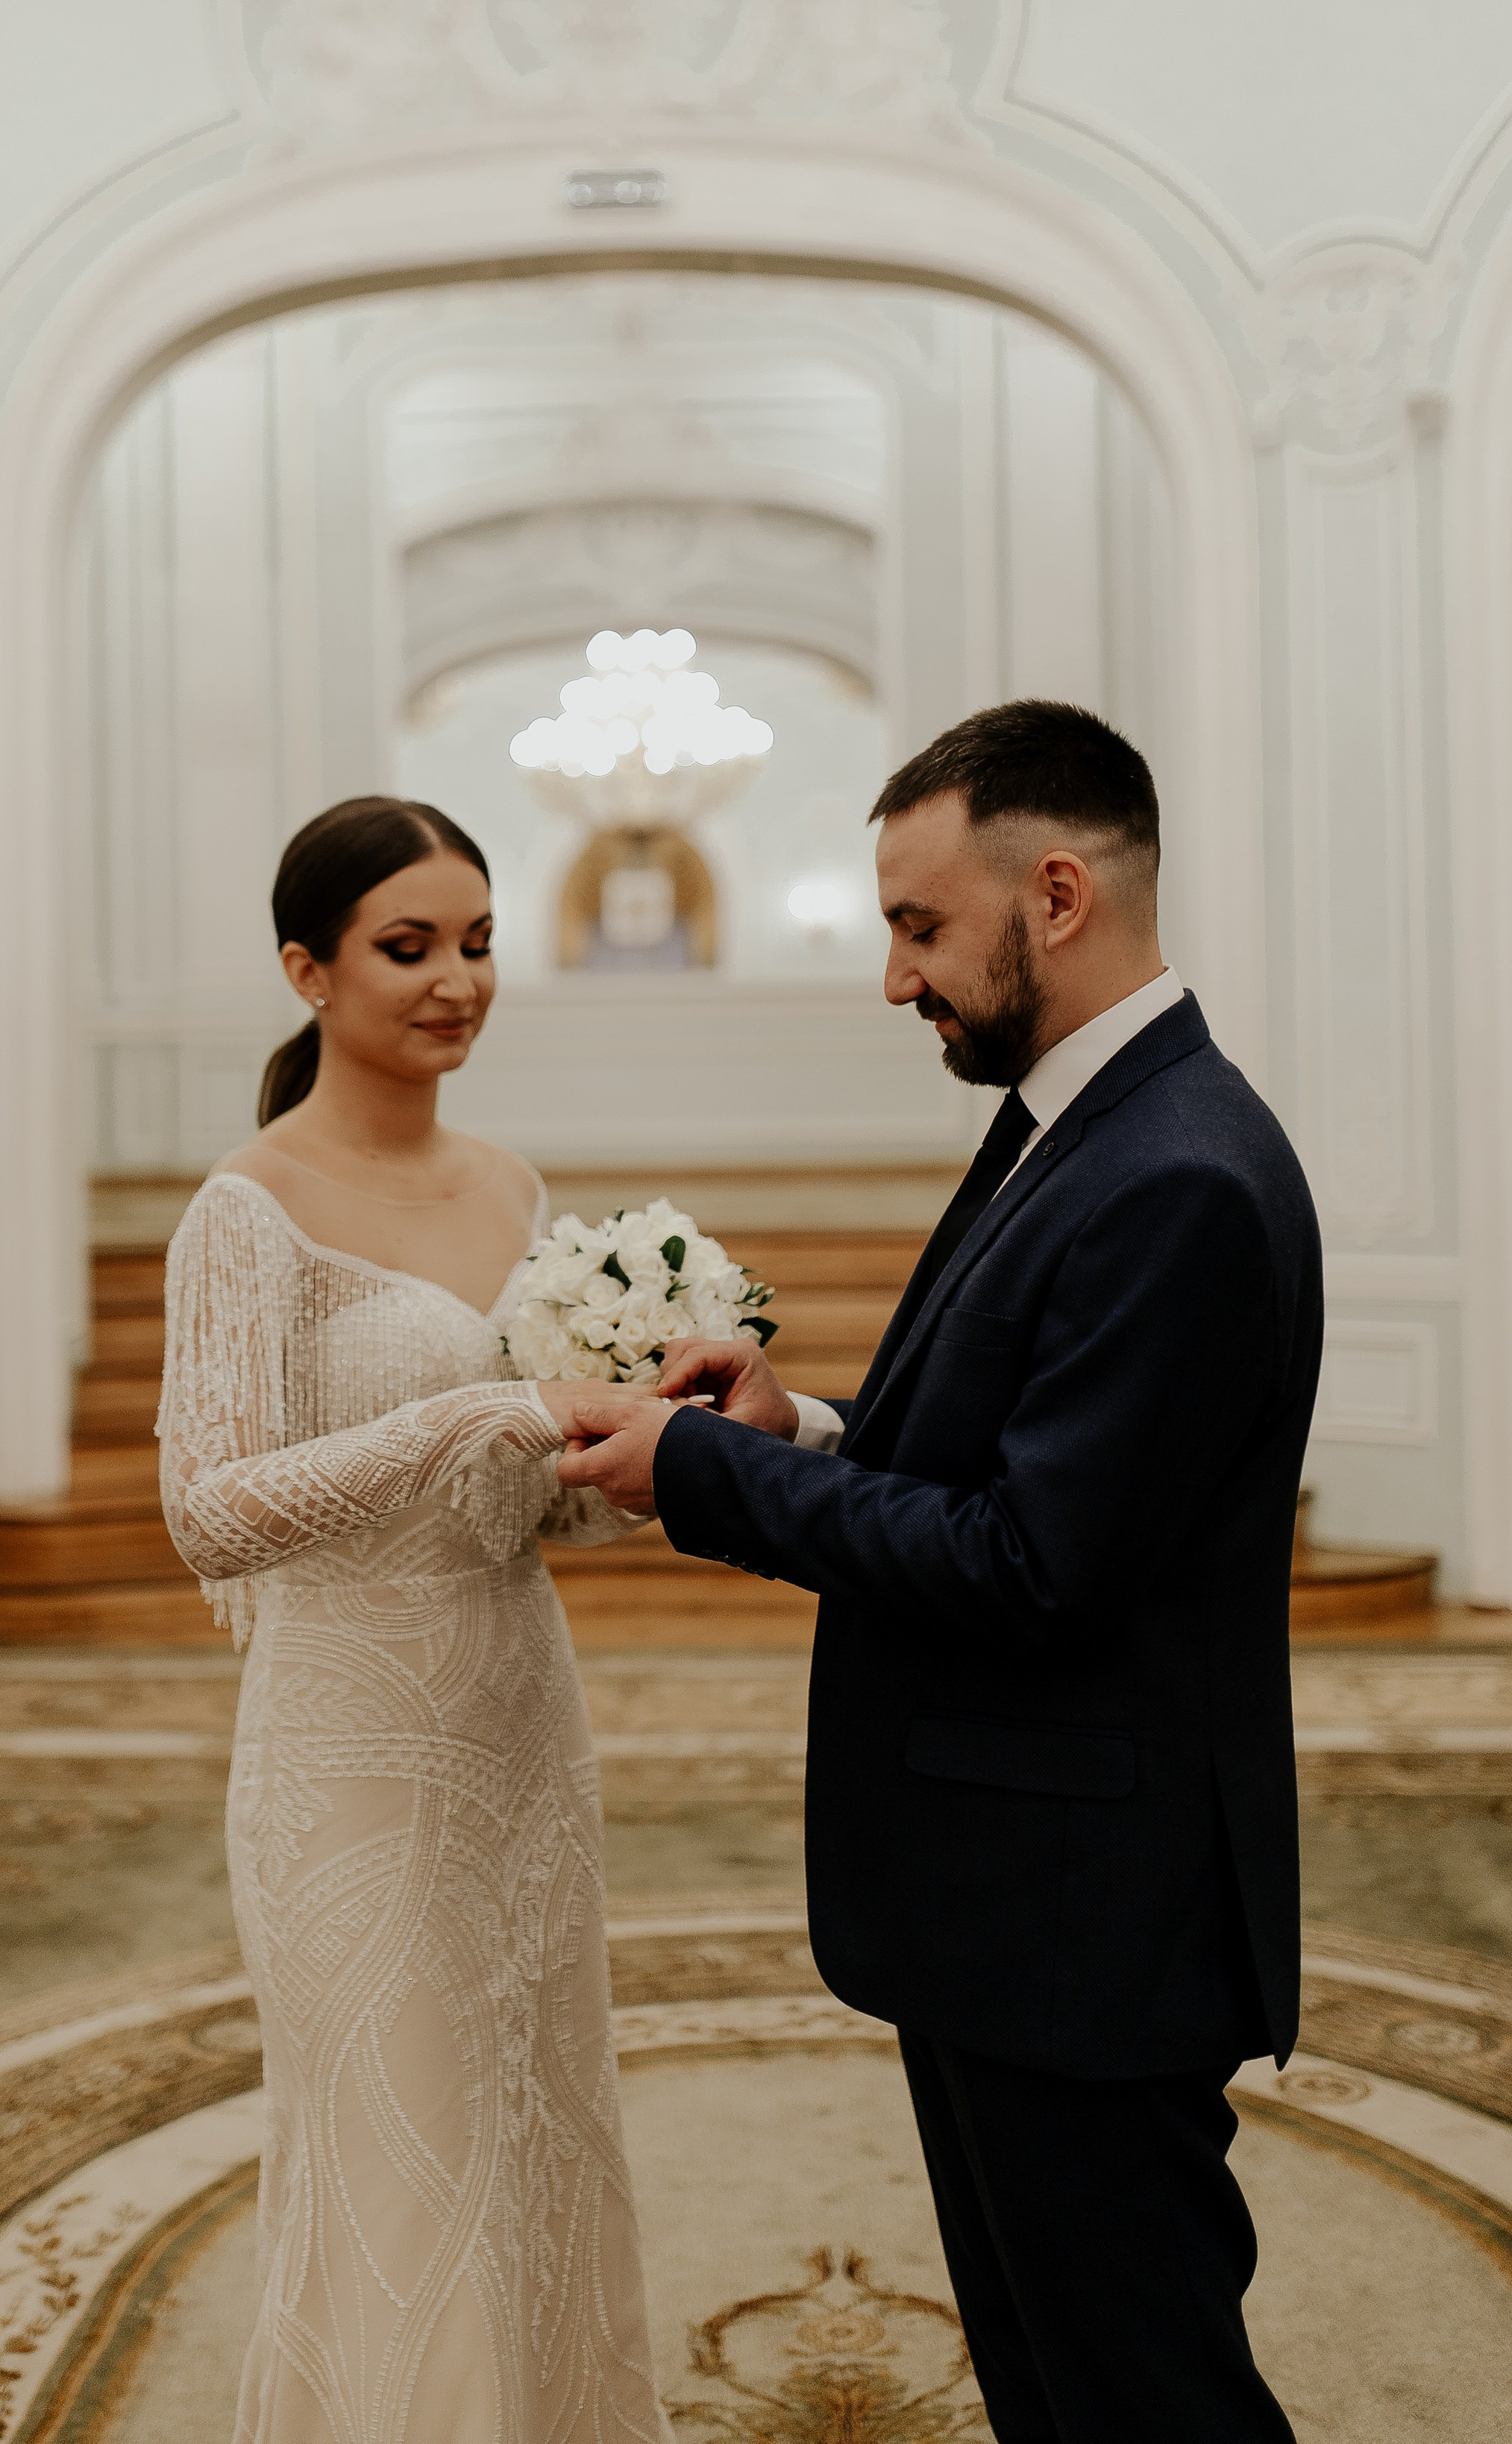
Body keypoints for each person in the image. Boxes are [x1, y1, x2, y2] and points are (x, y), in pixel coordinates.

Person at [553, 700, 1322, 2444]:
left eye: (917, 925)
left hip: (1083, 1920)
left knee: (1143, 2399)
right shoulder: (1091, 1120)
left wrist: (703, 1475)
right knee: (1053, 2385)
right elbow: (1021, 1457)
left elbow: (1034, 1566)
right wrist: (807, 1429)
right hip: (1016, 1894)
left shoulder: (1178, 1175)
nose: (894, 976)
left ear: (1053, 894)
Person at [158, 795, 668, 2444]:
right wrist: (475, 1416)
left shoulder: (512, 1186)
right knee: (399, 2162)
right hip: (347, 1762)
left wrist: (654, 1455)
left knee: (536, 2133)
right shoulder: (247, 1208)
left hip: (520, 1726)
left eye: (479, 943)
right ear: (308, 970)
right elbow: (208, 1507)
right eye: (408, 947)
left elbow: (540, 1506)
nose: (457, 981)